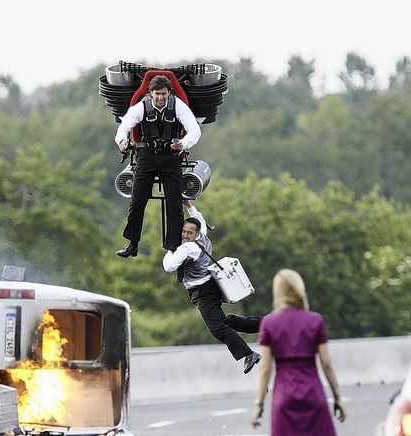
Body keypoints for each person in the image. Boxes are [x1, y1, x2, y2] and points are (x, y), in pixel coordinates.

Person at [162, 200, 262, 373]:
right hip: (210, 286)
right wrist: (189, 205)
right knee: (225, 322)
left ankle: (248, 354)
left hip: (202, 292)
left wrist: (170, 249)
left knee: (217, 329)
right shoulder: (202, 236)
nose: (185, 235)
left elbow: (168, 266)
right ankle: (264, 325)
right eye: (184, 231)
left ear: (196, 233)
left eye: (189, 233)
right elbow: (198, 218)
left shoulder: (187, 249)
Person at [114, 75, 201, 257]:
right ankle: (132, 243)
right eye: (156, 94)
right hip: (147, 157)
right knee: (137, 201)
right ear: (150, 93)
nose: (160, 98)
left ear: (169, 93)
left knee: (174, 203)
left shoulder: (178, 106)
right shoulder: (141, 108)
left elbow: (195, 130)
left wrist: (183, 144)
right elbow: (123, 128)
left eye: (163, 94)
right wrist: (122, 141)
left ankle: (174, 245)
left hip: (171, 157)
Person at [250, 269, 345, 435]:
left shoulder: (269, 324)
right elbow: (327, 364)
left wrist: (259, 404)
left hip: (284, 397)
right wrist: (337, 398)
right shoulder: (315, 320)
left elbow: (265, 369)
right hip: (313, 394)